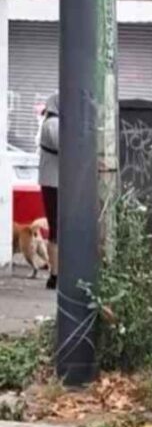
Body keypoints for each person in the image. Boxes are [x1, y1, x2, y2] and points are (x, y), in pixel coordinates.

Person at [38, 93, 60, 290]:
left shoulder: (53, 123)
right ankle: (55, 274)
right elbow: (65, 147)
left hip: (55, 181)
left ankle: (56, 272)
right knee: (56, 228)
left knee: (58, 228)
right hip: (53, 182)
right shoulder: (53, 124)